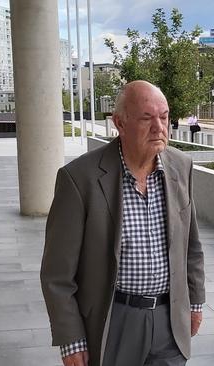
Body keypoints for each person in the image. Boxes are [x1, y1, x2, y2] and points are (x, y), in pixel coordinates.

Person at [41, 80, 205, 366]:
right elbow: (57, 273)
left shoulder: (181, 166)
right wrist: (70, 338)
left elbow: (191, 246)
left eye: (164, 117)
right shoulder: (79, 178)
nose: (159, 127)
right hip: (113, 320)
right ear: (120, 122)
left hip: (169, 320)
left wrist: (195, 303)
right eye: (146, 118)